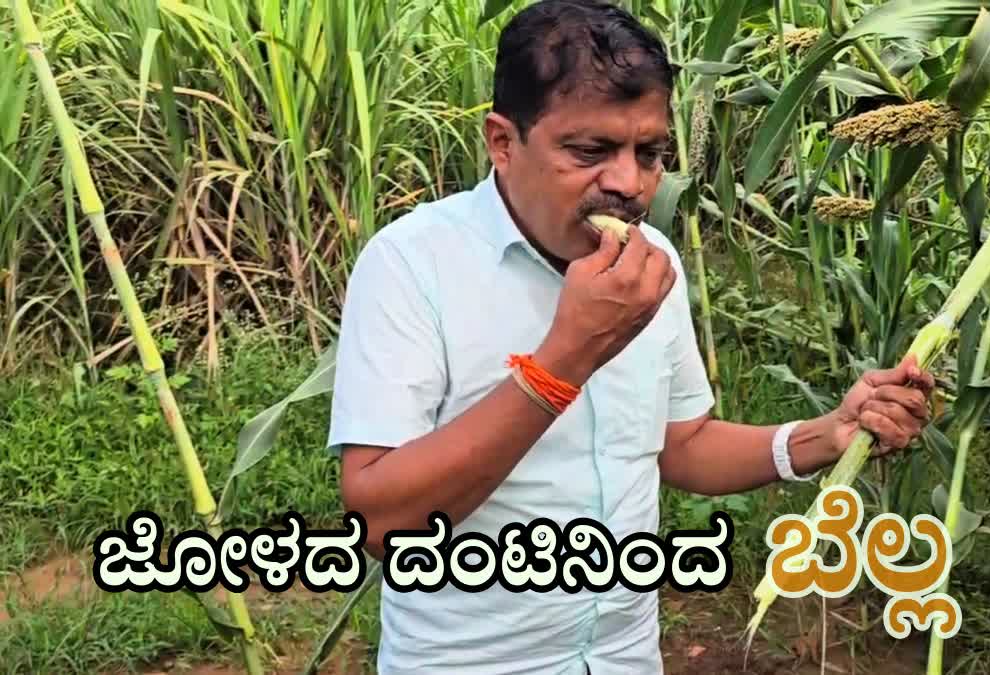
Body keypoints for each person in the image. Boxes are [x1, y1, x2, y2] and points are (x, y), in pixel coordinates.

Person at [326, 1, 936, 673]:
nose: (628, 183)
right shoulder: (412, 265)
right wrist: (567, 357)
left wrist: (826, 434)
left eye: (650, 153)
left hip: (624, 657)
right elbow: (383, 520)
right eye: (589, 151)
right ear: (502, 142)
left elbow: (681, 445)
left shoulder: (656, 263)